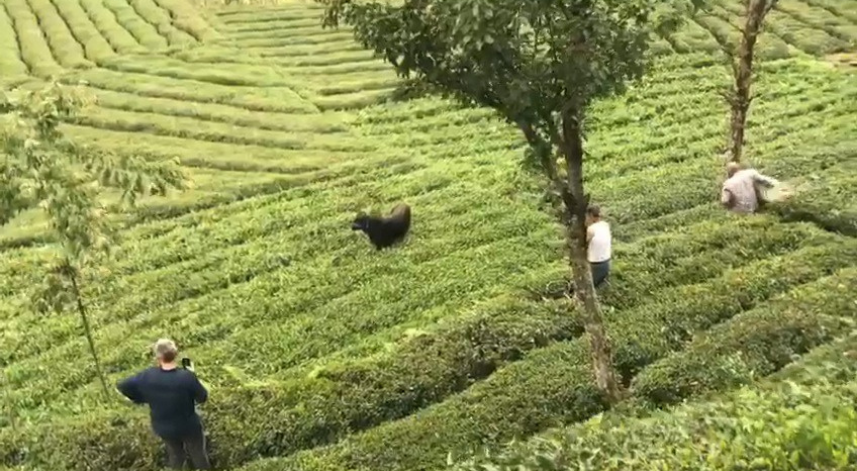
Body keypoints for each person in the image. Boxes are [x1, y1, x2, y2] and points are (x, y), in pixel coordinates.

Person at [117, 339, 211, 470]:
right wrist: (192, 377)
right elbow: (202, 397)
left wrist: (141, 398)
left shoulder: (148, 375)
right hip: (189, 426)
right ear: (175, 354)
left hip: (164, 427)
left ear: (158, 357)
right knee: (198, 455)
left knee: (176, 456)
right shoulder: (186, 377)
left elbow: (122, 385)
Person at [586, 205, 611, 287]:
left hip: (595, 266)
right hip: (606, 264)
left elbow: (584, 244)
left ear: (591, 216)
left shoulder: (591, 230)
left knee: (585, 286)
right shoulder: (605, 225)